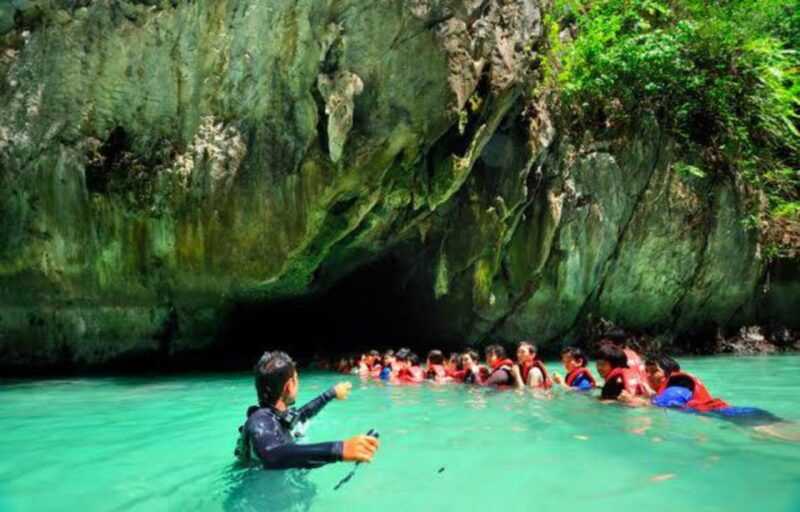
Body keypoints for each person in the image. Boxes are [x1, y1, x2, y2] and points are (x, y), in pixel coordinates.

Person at [235, 351, 380, 470]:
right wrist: (339, 449)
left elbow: (301, 415)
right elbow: (271, 454)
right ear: (290, 385)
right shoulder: (259, 421)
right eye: (297, 379)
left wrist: (331, 394)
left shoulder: (275, 417)